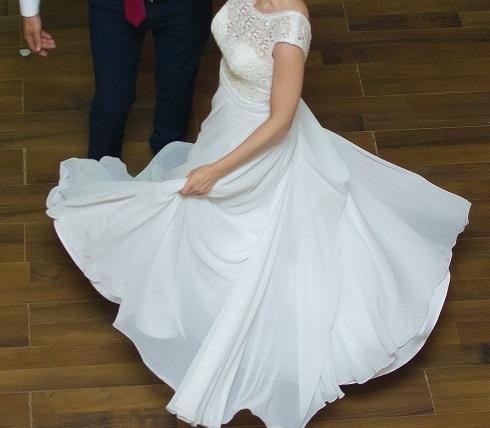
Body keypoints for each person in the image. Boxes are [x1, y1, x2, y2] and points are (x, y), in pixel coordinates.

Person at [44, 1, 471, 427]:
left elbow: (281, 121)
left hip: (258, 139)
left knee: (238, 231)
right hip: (226, 117)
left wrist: (216, 170)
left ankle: (229, 330)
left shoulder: (291, 24)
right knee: (195, 219)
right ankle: (188, 300)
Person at [19, 0, 212, 159]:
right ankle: (101, 174)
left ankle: (169, 161)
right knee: (111, 102)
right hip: (113, 6)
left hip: (187, 7)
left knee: (178, 90)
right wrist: (29, 11)